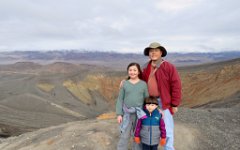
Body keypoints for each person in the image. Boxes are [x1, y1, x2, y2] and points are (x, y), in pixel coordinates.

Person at [142, 42, 182, 150]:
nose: (153, 53)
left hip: (163, 102)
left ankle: (168, 148)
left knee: (167, 129)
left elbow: (176, 85)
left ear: (161, 53)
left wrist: (174, 104)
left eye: (156, 50)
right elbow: (137, 79)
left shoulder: (168, 67)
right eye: (151, 51)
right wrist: (125, 81)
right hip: (150, 102)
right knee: (149, 126)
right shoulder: (146, 67)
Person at [116, 62, 149, 150]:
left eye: (135, 70)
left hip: (139, 114)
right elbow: (120, 99)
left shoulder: (143, 84)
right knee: (124, 135)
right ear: (128, 72)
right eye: (130, 70)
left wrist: (148, 113)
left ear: (138, 72)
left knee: (138, 135)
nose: (132, 72)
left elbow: (147, 99)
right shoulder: (125, 84)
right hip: (127, 114)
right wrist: (119, 114)